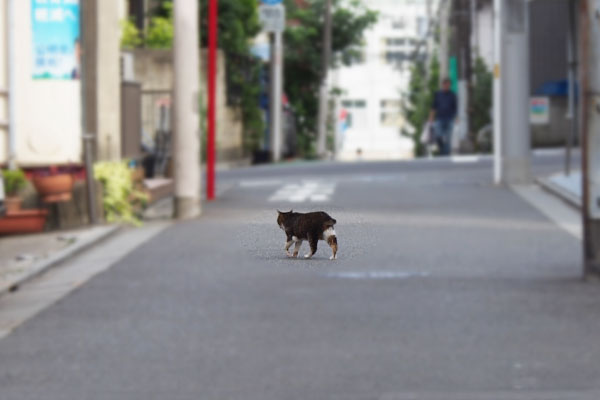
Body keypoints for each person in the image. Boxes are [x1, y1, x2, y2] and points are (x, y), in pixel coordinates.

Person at [429, 78, 457, 156]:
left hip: (449, 119)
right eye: (445, 84)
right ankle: (442, 150)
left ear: (449, 85)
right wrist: (431, 118)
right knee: (438, 136)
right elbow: (433, 107)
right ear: (442, 85)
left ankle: (445, 154)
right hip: (439, 119)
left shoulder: (453, 95)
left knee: (448, 138)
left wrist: (456, 118)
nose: (446, 86)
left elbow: (455, 108)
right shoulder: (438, 94)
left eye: (448, 84)